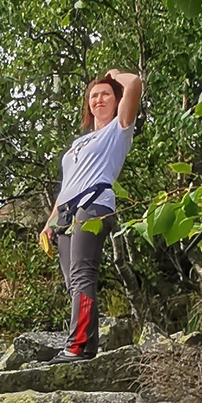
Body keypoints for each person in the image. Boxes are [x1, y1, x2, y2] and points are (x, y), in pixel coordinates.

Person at [38, 66, 143, 359]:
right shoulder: (78, 143)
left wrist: (113, 76)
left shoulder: (119, 129)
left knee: (83, 274)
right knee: (73, 282)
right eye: (94, 95)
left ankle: (78, 346)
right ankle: (85, 344)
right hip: (67, 213)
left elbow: (134, 83)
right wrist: (49, 223)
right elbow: (67, 186)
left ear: (116, 99)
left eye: (105, 94)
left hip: (95, 204)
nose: (99, 99)